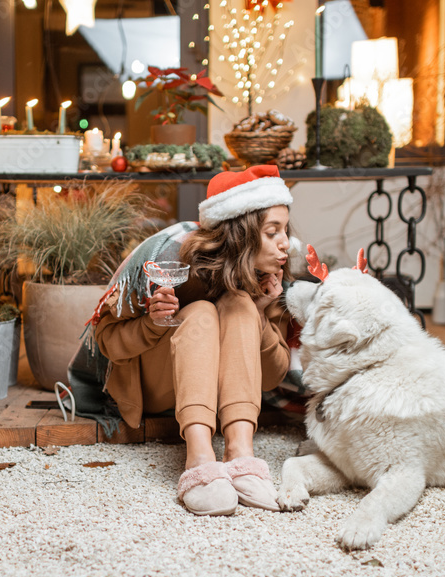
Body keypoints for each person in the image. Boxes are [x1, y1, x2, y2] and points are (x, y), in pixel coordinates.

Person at [87, 165, 295, 516]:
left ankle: (240, 455)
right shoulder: (170, 257)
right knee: (199, 311)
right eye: (272, 231)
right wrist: (153, 323)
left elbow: (273, 377)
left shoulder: (267, 279)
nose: (285, 242)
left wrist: (262, 312)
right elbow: (107, 343)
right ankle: (199, 458)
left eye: (285, 230)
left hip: (220, 394)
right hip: (159, 387)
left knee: (241, 304)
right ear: (240, 233)